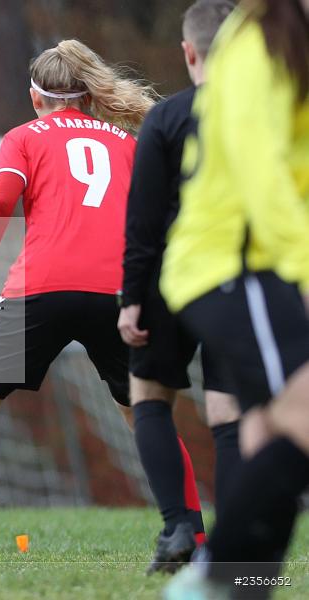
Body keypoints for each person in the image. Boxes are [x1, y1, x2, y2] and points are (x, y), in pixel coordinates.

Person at [0, 39, 157, 564]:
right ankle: (195, 541)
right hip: (117, 291)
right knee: (147, 415)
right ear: (89, 96)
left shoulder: (24, 136)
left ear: (35, 97)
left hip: (41, 287)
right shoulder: (129, 143)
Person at [159, 0, 309, 596]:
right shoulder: (254, 41)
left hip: (263, 267)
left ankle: (240, 583)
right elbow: (260, 175)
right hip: (228, 266)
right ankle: (211, 578)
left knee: (274, 439)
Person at [117, 0, 239, 574]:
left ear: (189, 52)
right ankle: (238, 551)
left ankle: (179, 530)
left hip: (169, 278)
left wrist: (131, 298)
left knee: (151, 399)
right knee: (230, 410)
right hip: (243, 278)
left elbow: (140, 222)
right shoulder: (268, 117)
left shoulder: (165, 119)